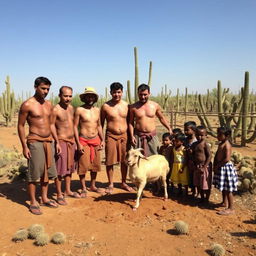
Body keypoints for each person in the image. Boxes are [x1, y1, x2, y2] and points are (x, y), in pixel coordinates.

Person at [17, 77, 59, 215]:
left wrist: (57, 141)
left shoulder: (48, 104)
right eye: (43, 88)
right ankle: (33, 201)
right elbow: (21, 126)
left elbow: (52, 124)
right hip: (34, 141)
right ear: (35, 87)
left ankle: (45, 197)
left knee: (46, 171)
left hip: (49, 141)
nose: (46, 91)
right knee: (34, 173)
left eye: (48, 89)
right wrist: (24, 146)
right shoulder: (27, 104)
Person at [100, 82, 133, 194]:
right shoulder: (105, 106)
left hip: (124, 136)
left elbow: (130, 122)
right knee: (109, 161)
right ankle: (110, 183)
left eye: (119, 92)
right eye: (114, 92)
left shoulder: (126, 105)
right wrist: (101, 139)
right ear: (110, 93)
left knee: (125, 160)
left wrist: (131, 136)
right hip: (111, 136)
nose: (116, 94)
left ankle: (123, 182)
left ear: (122, 92)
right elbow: (101, 123)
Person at [51, 86, 80, 205]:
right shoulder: (55, 109)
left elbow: (73, 126)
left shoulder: (71, 108)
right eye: (65, 96)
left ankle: (67, 190)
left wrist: (77, 142)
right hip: (61, 142)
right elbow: (51, 125)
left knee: (69, 168)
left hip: (71, 142)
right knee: (59, 170)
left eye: (70, 96)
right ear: (60, 96)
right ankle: (58, 194)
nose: (68, 98)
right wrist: (56, 141)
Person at [74, 87, 104, 197]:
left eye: (92, 96)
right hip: (83, 141)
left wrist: (103, 140)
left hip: (95, 140)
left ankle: (92, 185)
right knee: (83, 165)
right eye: (88, 96)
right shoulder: (79, 110)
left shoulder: (97, 110)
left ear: (95, 98)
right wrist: (78, 143)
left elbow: (99, 126)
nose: (90, 98)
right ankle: (83, 187)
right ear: (84, 97)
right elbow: (74, 127)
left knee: (94, 165)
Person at [129, 84, 172, 156]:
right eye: (140, 94)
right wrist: (132, 136)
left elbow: (161, 118)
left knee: (155, 157)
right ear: (137, 94)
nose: (143, 97)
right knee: (137, 158)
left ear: (149, 93)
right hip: (138, 137)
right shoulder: (133, 107)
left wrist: (169, 128)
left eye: (145, 94)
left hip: (152, 136)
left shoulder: (155, 106)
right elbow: (130, 123)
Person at [213, 127, 238, 215]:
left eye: (220, 135)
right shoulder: (221, 143)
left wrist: (218, 165)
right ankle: (224, 202)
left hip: (226, 168)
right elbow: (217, 154)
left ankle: (231, 208)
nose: (218, 136)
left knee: (228, 189)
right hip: (221, 167)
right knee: (224, 187)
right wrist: (215, 164)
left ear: (226, 136)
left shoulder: (227, 144)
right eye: (217, 134)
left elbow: (227, 159)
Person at [191, 126, 212, 204]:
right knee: (199, 184)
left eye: (202, 135)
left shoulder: (205, 144)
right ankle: (202, 198)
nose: (199, 137)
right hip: (197, 166)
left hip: (204, 167)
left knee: (205, 184)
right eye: (198, 135)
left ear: (206, 135)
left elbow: (209, 156)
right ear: (195, 135)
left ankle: (207, 199)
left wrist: (204, 166)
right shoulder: (194, 144)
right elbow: (193, 154)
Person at [184, 121, 197, 196]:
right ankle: (191, 189)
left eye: (187, 130)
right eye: (184, 130)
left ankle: (195, 191)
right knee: (189, 176)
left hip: (194, 162)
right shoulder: (185, 140)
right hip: (187, 161)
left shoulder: (196, 140)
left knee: (195, 177)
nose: (185, 132)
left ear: (193, 130)